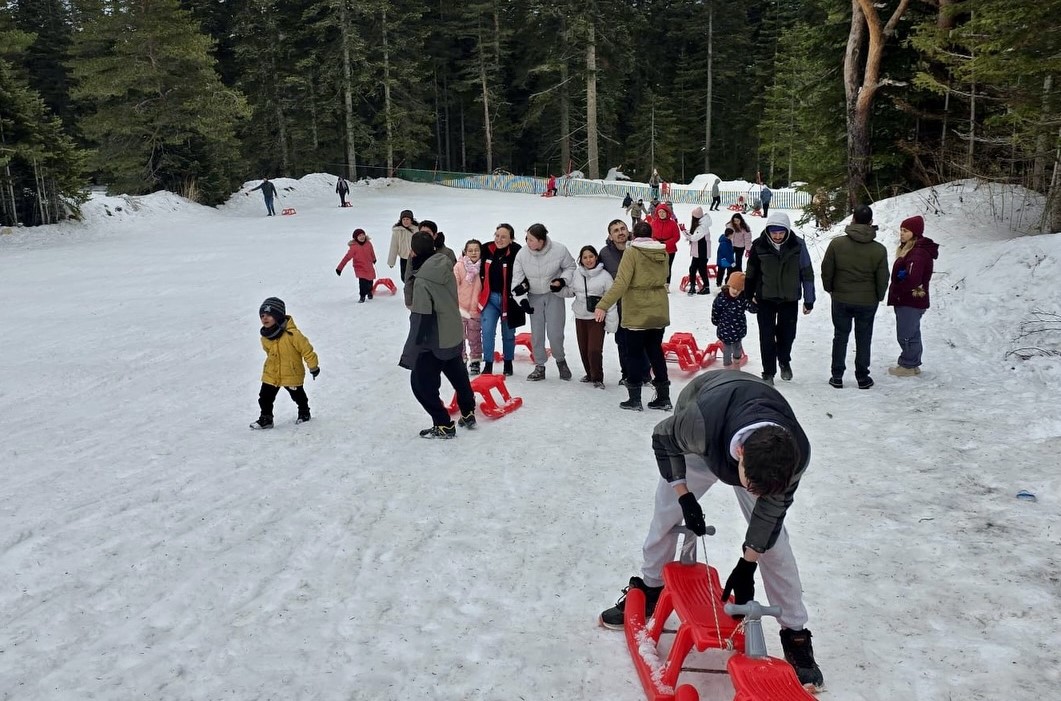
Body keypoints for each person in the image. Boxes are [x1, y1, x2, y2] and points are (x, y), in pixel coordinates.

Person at [597, 369, 825, 690]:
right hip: (705, 433)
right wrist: (684, 495)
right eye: (752, 487)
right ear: (742, 455)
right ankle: (650, 587)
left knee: (774, 542)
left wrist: (748, 563)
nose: (755, 496)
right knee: (666, 514)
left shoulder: (793, 456)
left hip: (754, 442)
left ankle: (795, 631)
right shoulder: (697, 425)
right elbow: (663, 438)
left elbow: (770, 514)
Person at [399, 232, 477, 439]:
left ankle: (443, 424)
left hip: (436, 338)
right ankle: (468, 412)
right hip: (453, 330)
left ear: (414, 252)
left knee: (420, 383)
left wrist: (411, 352)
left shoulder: (423, 279)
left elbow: (421, 318)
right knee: (457, 372)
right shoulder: (444, 265)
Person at [594, 221, 671, 411]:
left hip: (637, 310)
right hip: (658, 309)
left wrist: (603, 304)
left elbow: (621, 283)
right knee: (655, 351)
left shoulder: (632, 252)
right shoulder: (662, 252)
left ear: (633, 235)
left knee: (634, 354)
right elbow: (666, 275)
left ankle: (635, 398)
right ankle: (663, 397)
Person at [821, 204, 889, 389]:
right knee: (864, 337)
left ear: (853, 220)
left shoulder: (837, 244)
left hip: (841, 298)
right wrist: (879, 296)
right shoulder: (879, 250)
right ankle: (862, 377)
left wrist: (830, 289)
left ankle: (837, 375)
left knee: (840, 336)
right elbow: (883, 277)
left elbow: (827, 270)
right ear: (871, 223)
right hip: (867, 301)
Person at [744, 212, 816, 385]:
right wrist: (748, 294)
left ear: (787, 231)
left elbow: (806, 273)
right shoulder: (759, 245)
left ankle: (784, 360)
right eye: (774, 232)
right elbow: (751, 272)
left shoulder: (798, 245)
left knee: (787, 335)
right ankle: (768, 372)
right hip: (765, 298)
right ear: (768, 231)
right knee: (766, 336)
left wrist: (809, 299)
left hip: (789, 299)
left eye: (781, 232)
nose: (777, 236)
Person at [512, 223, 576, 381]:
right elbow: (516, 282)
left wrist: (561, 281)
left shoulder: (559, 250)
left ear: (542, 241)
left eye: (532, 240)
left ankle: (561, 360)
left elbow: (571, 267)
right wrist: (522, 301)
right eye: (527, 239)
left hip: (553, 295)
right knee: (537, 334)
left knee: (555, 333)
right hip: (534, 296)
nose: (528, 242)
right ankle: (540, 366)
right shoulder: (522, 255)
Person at [250, 297, 319, 429]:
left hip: (291, 372)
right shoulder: (265, 337)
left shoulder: (293, 334)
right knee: (264, 397)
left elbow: (307, 350)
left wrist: (313, 366)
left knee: (298, 396)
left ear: (278, 316)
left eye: (269, 315)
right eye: (262, 315)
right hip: (272, 373)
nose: (265, 318)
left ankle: (304, 412)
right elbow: (269, 353)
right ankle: (266, 418)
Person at [887, 215, 939, 376]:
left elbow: (912, 279)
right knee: (912, 331)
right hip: (912, 299)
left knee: (906, 333)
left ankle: (908, 365)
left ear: (914, 232)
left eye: (905, 231)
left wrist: (897, 289)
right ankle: (912, 363)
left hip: (910, 300)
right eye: (901, 230)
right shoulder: (914, 250)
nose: (901, 234)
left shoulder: (916, 253)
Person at [478, 224, 525, 377]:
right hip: (490, 299)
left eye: (504, 237)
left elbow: (527, 272)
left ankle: (508, 362)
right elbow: (470, 258)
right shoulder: (486, 249)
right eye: (497, 235)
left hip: (509, 301)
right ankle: (488, 363)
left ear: (511, 239)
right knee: (487, 331)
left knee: (509, 333)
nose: (499, 239)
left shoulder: (518, 252)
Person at [572, 245, 618, 387]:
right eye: (585, 257)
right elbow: (571, 290)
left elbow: (611, 299)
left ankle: (597, 377)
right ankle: (590, 373)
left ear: (596, 257)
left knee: (594, 349)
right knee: (583, 348)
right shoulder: (577, 274)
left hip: (597, 317)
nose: (588, 260)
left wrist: (610, 322)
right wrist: (557, 287)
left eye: (591, 256)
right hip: (580, 316)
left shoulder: (605, 276)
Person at [600, 220, 634, 386]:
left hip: (638, 304)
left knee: (641, 341)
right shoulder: (605, 254)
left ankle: (644, 373)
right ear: (610, 236)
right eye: (616, 230)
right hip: (619, 305)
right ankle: (626, 373)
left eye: (623, 229)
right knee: (622, 341)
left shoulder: (637, 248)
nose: (620, 232)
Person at [454, 239, 484, 375]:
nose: (473, 253)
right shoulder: (459, 266)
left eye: (476, 250)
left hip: (475, 310)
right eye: (470, 250)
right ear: (465, 252)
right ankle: (461, 360)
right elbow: (453, 284)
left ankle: (475, 361)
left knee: (475, 336)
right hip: (460, 308)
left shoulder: (482, 267)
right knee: (460, 336)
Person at [711, 272, 749, 366]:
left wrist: (755, 302)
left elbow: (751, 308)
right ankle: (727, 365)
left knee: (737, 347)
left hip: (738, 329)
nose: (735, 291)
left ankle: (737, 362)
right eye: (733, 288)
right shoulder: (721, 299)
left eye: (738, 290)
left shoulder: (742, 299)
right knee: (726, 349)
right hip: (725, 329)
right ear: (728, 286)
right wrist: (715, 321)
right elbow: (716, 310)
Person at [335, 228, 378, 303]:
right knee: (362, 283)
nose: (362, 237)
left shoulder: (368, 243)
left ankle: (369, 291)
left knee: (370, 281)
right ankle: (362, 296)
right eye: (359, 236)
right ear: (356, 238)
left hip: (369, 266)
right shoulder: (354, 247)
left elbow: (372, 252)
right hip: (360, 268)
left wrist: (374, 258)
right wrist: (339, 268)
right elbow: (346, 258)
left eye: (363, 235)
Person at [649, 202, 680, 286]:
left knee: (667, 267)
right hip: (657, 248)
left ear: (667, 212)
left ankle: (666, 284)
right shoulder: (653, 223)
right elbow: (651, 235)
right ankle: (657, 283)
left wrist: (665, 243)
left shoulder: (673, 224)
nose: (661, 214)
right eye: (659, 212)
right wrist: (656, 242)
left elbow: (676, 237)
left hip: (670, 249)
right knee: (657, 266)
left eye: (663, 212)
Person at [683, 206, 711, 296]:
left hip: (702, 251)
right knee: (693, 268)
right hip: (698, 251)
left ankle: (706, 287)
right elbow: (694, 236)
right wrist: (686, 232)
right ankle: (693, 285)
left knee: (701, 269)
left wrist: (684, 232)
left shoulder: (702, 226)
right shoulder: (701, 224)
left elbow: (694, 238)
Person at [388, 209, 417, 282]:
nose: (405, 221)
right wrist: (391, 261)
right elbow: (394, 246)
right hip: (404, 258)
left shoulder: (417, 230)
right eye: (403, 219)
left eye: (407, 219)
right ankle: (408, 289)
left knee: (415, 276)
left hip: (415, 257)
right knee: (404, 277)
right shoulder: (397, 231)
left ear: (411, 220)